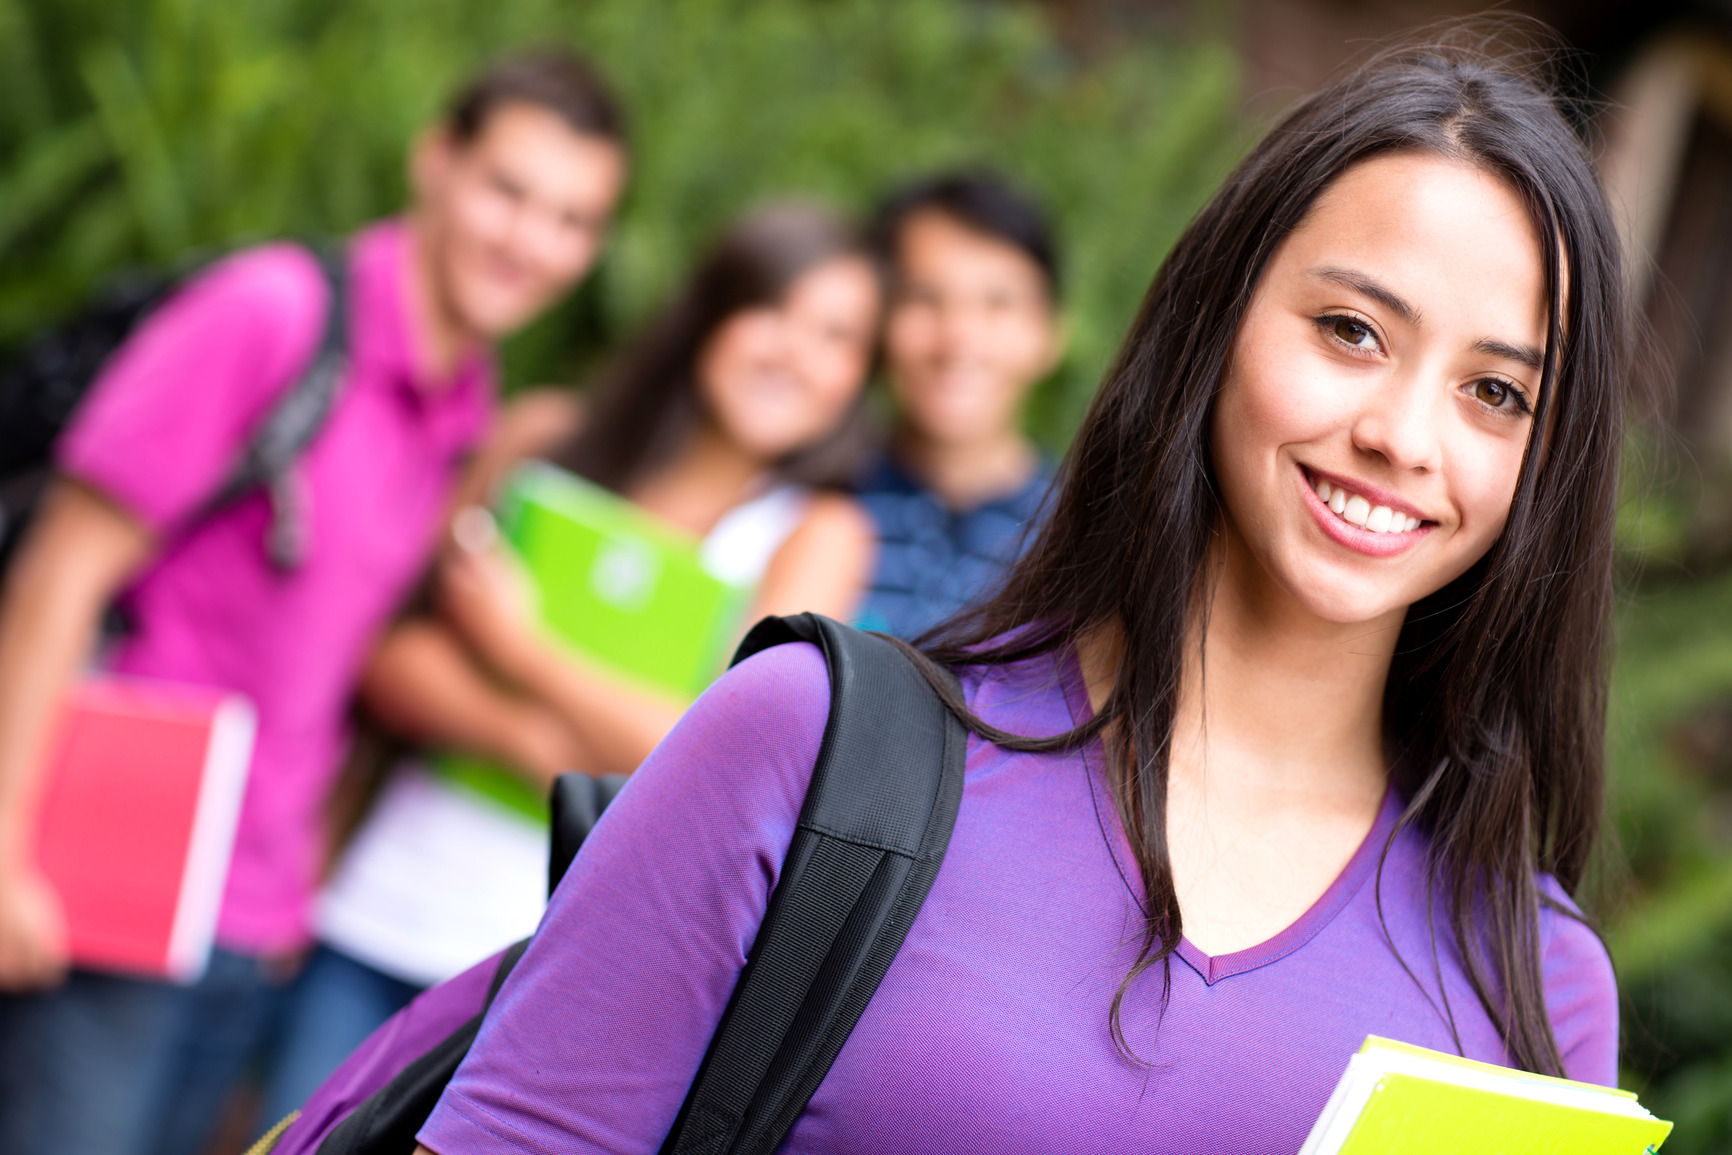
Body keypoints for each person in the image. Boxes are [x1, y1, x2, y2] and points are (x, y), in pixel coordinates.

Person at [409, 35, 1633, 1155]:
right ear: (1216, 320)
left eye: (1497, 395)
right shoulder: (808, 743)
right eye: (1351, 330)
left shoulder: (1536, 985)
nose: (1402, 435)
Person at [0, 49, 629, 1155]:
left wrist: (296, 888)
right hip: (96, 882)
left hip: (253, 920)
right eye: (508, 191)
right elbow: (62, 568)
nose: (529, 241)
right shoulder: (271, 315)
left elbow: (336, 660)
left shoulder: (467, 397)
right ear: (435, 161)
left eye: (572, 219)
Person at [263, 201, 881, 1122]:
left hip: (563, 975)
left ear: (858, 378)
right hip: (376, 908)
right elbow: (393, 659)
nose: (793, 353)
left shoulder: (817, 534)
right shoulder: (544, 436)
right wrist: (560, 744)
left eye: (835, 337)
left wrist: (519, 649)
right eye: (773, 310)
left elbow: (725, 759)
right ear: (712, 310)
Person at [855, 171, 1063, 639]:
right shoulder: (803, 499)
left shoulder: (1088, 539)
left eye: (998, 304)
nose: (958, 341)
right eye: (925, 298)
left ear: (1049, 334)